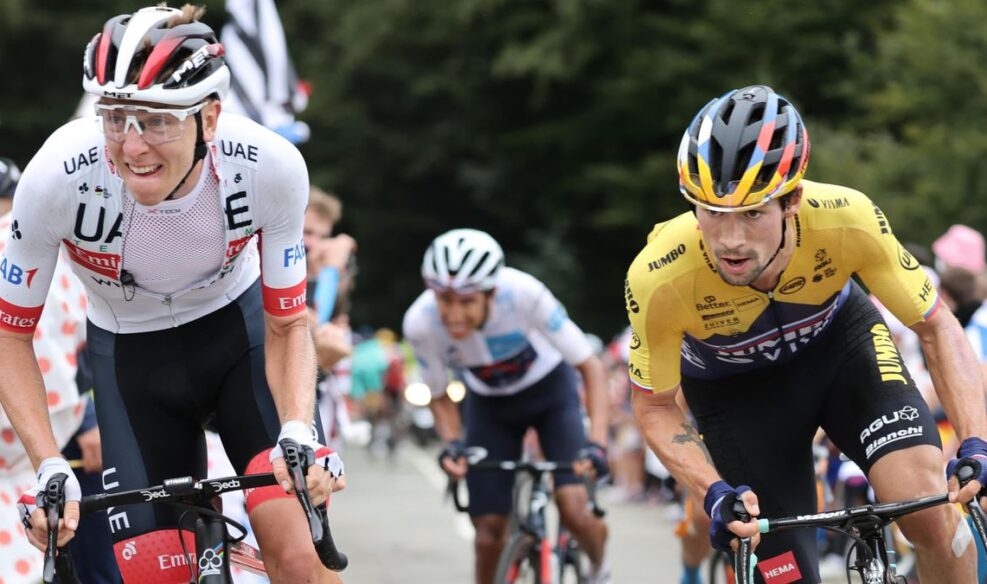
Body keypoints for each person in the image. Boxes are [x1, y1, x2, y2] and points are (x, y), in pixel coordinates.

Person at [0, 6, 344, 583]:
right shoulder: (56, 176)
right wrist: (49, 464)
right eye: (116, 118)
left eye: (158, 121)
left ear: (210, 118)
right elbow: (10, 334)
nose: (132, 147)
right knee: (159, 576)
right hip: (132, 364)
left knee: (298, 558)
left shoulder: (270, 167)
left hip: (240, 343)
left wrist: (299, 429)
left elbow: (287, 324)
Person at [625, 85, 987, 582]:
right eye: (710, 212)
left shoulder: (847, 218)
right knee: (783, 570)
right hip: (738, 395)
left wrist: (976, 443)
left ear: (792, 198)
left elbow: (937, 326)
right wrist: (710, 491)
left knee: (927, 509)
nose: (730, 240)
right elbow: (654, 403)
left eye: (752, 213)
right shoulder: (659, 275)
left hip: (843, 353)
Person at [403, 228, 611, 584]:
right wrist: (452, 443)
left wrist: (597, 443)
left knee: (575, 511)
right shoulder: (420, 323)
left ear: (492, 293)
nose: (454, 315)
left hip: (551, 396)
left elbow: (590, 367)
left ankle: (597, 568)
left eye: (466, 302)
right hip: (490, 406)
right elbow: (438, 394)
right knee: (487, 534)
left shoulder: (524, 294)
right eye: (444, 301)